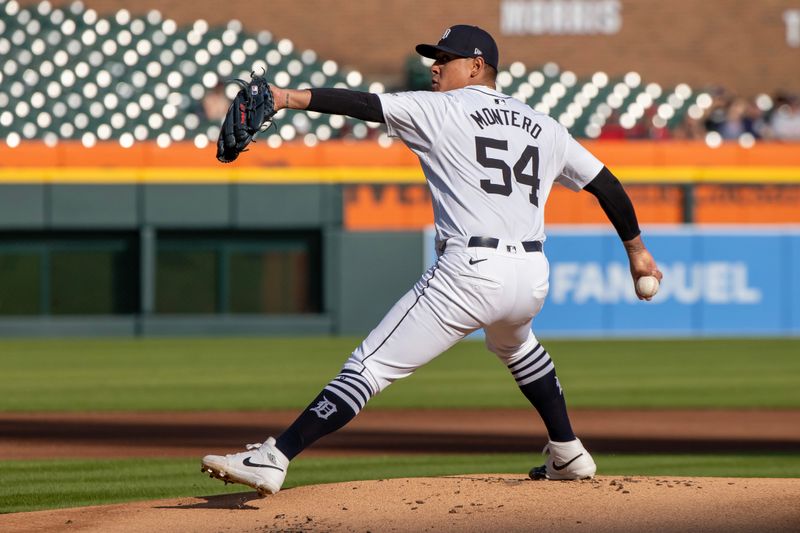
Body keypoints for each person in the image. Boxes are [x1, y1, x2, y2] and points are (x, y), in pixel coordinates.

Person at [201, 24, 662, 495]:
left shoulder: (440, 109)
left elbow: (364, 105)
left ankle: (273, 458)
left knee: (369, 366)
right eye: (434, 57)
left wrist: (285, 96)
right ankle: (567, 451)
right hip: (531, 276)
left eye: (446, 57)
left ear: (477, 66)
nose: (435, 66)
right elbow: (606, 184)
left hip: (470, 272)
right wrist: (637, 252)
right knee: (516, 346)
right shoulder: (543, 124)